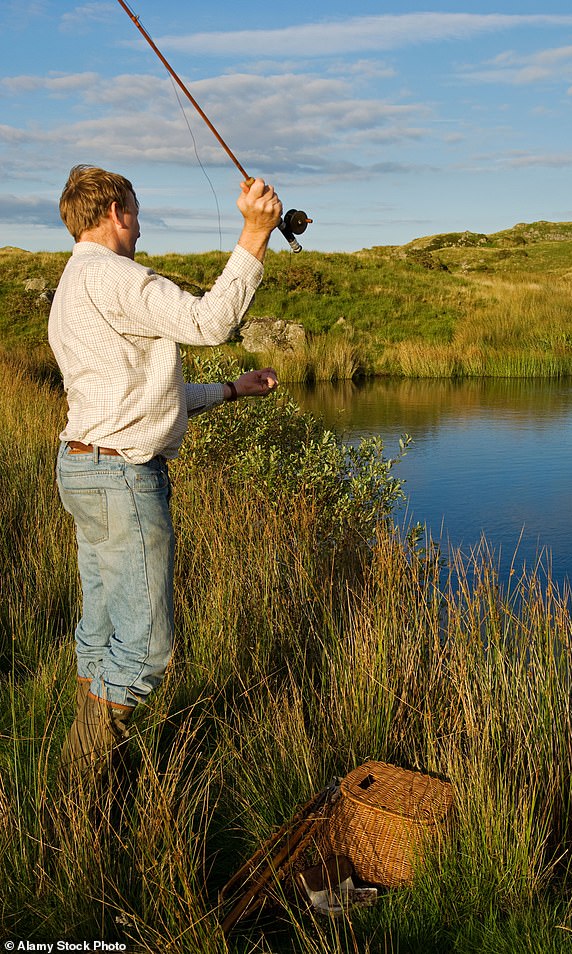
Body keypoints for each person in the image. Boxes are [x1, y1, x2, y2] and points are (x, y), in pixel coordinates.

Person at [49, 164, 282, 784]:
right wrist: (255, 235)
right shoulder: (117, 276)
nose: (142, 221)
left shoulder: (72, 283)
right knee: (148, 650)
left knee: (100, 632)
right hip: (122, 478)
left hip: (82, 469)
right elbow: (211, 323)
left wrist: (231, 390)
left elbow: (142, 394)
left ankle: (84, 770)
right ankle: (84, 787)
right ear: (116, 213)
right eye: (137, 208)